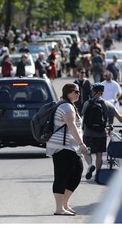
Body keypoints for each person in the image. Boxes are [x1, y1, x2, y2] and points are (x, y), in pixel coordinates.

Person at [46, 83, 87, 216]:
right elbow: (72, 126)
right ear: (68, 93)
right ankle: (59, 208)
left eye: (79, 92)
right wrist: (81, 144)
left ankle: (64, 204)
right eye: (76, 92)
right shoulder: (66, 106)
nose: (78, 94)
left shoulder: (69, 105)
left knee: (77, 172)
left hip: (70, 146)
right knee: (62, 176)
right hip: (62, 146)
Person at [82, 83, 122, 183]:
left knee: (87, 151)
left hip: (88, 134)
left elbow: (82, 117)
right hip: (101, 134)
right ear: (102, 92)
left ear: (93, 91)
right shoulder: (108, 105)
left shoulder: (87, 103)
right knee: (99, 154)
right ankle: (98, 174)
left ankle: (91, 165)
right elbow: (120, 118)